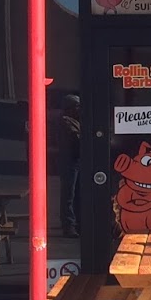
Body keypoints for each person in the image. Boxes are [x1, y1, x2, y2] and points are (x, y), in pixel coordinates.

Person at [59, 94, 82, 237]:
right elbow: (75, 139)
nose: (79, 109)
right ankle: (69, 225)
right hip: (69, 162)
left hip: (76, 160)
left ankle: (78, 223)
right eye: (77, 107)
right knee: (69, 194)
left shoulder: (76, 121)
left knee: (77, 194)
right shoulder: (65, 122)